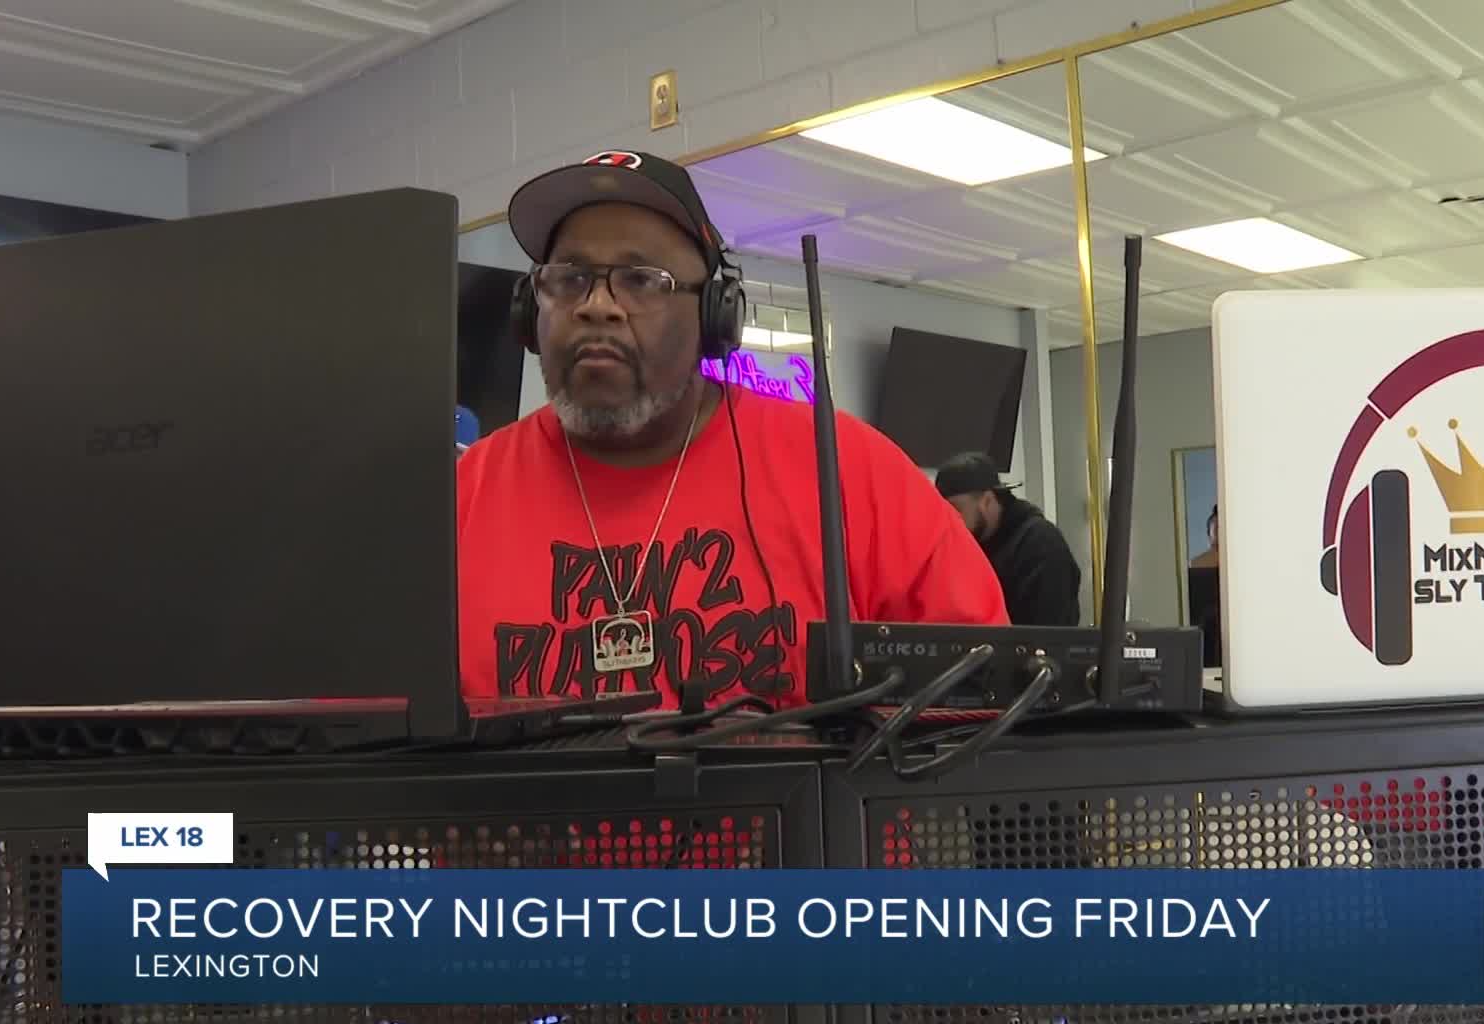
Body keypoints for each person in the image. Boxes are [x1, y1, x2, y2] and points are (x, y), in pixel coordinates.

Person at [455, 151, 1009, 708]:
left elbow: (985, 696)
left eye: (641, 280)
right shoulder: (459, 500)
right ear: (530, 310)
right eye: (570, 278)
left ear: (715, 314)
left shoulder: (850, 470)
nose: (597, 306)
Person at [935, 452, 1081, 626]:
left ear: (987, 501)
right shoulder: (962, 546)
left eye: (956, 510)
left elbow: (1048, 630)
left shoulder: (1041, 545)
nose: (951, 521)